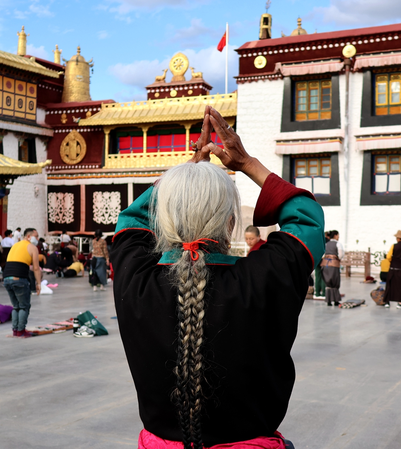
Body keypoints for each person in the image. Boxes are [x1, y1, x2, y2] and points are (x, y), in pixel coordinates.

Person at [112, 106, 320, 448]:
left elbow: (130, 221)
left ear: (162, 220)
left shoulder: (136, 281)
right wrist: (247, 163)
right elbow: (307, 219)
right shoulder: (266, 276)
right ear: (230, 223)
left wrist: (187, 171)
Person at [3, 228, 42, 338]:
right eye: (36, 236)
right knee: (24, 306)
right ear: (28, 236)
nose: (37, 239)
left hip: (6, 278)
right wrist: (38, 284)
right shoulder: (32, 247)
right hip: (19, 279)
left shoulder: (15, 245)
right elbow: (36, 268)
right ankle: (21, 331)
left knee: (16, 306)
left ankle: (15, 331)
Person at [383, 230, 401, 309]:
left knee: (390, 285)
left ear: (399, 238)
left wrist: (393, 261)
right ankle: (400, 303)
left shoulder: (393, 246)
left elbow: (388, 257)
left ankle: (387, 302)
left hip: (393, 268)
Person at [321, 230, 344, 307]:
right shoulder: (338, 244)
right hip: (334, 264)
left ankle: (329, 301)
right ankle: (336, 300)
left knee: (328, 282)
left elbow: (323, 254)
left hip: (325, 264)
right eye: (338, 235)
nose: (338, 237)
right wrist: (337, 259)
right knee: (335, 282)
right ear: (335, 236)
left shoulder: (326, 244)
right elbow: (341, 255)